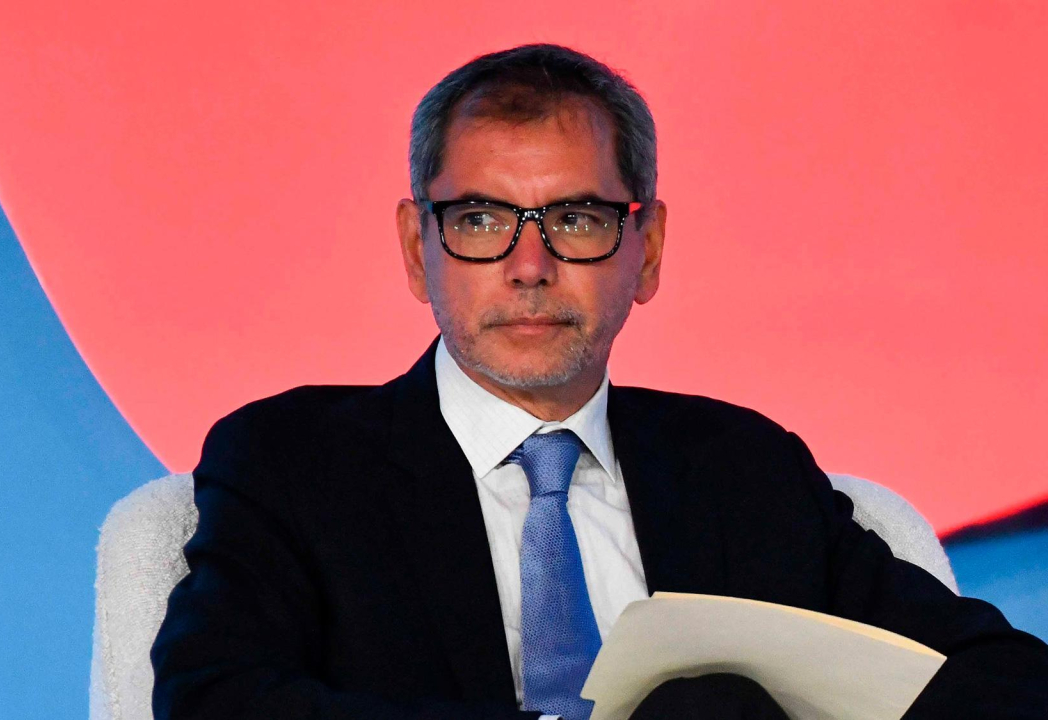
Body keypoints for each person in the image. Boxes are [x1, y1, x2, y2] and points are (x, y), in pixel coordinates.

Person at [151, 44, 1048, 719]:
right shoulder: (294, 461)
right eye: (480, 220)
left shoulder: (742, 469)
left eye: (576, 219)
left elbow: (997, 679)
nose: (529, 266)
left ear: (646, 251)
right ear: (417, 252)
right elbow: (214, 699)